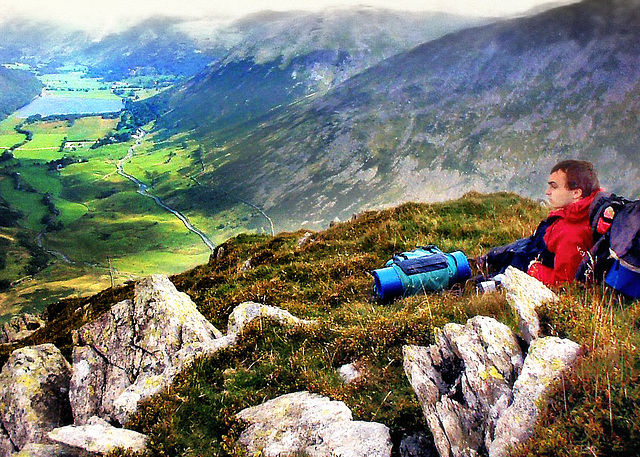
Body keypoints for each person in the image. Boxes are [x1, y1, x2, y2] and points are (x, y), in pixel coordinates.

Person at [481, 159, 602, 286]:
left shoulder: (571, 235)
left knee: (486, 282)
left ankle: (473, 278)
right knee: (513, 250)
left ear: (576, 193)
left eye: (554, 186)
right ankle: (480, 262)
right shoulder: (579, 212)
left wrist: (534, 269)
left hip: (531, 264)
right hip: (534, 248)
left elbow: (564, 282)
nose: (547, 192)